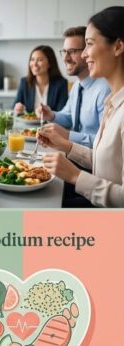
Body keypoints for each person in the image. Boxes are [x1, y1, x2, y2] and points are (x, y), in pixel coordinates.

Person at [42, 6, 124, 207]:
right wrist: (66, 146)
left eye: (89, 44)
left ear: (118, 46)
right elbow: (107, 163)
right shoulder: (112, 101)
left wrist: (76, 176)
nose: (85, 54)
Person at [38, 27, 110, 149]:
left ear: (87, 52)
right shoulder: (77, 85)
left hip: (92, 161)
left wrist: (68, 135)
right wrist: (51, 115)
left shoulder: (105, 90)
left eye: (72, 51)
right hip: (72, 154)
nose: (65, 58)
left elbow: (105, 142)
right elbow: (69, 117)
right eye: (64, 51)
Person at [13, 45, 68, 114]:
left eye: (40, 60)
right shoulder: (24, 82)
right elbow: (14, 109)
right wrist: (18, 109)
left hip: (50, 124)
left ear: (49, 63)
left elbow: (62, 113)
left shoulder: (61, 84)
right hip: (28, 124)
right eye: (32, 59)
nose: (34, 64)